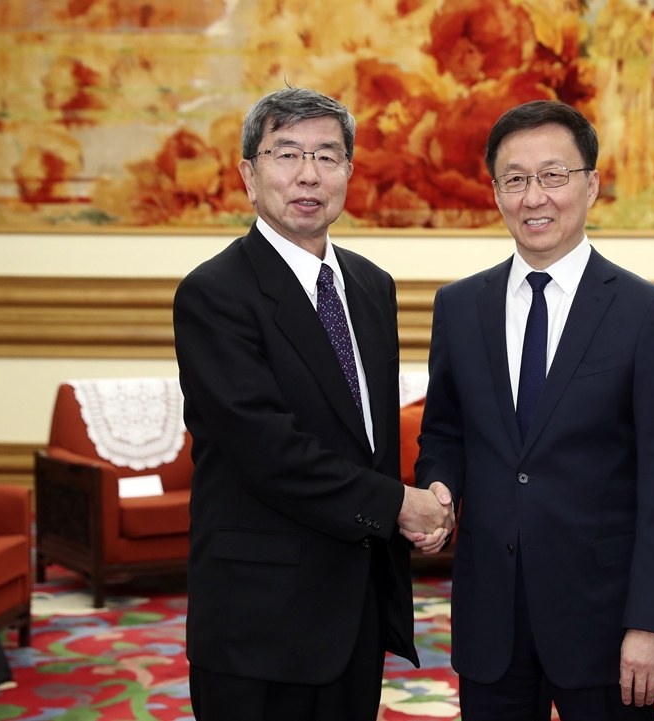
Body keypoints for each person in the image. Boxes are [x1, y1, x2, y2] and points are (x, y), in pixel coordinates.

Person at [174, 86, 454, 721]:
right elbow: (267, 450)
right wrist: (398, 505)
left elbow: (371, 439)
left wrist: (421, 503)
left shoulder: (372, 286)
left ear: (348, 172)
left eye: (327, 156)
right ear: (249, 175)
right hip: (260, 617)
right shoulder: (214, 293)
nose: (309, 174)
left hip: (357, 605)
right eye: (287, 153)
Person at [412, 100, 654, 720]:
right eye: (514, 179)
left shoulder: (647, 314)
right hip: (490, 615)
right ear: (495, 193)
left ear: (590, 185)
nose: (533, 197)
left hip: (604, 620)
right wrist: (439, 487)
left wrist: (651, 623)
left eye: (553, 175)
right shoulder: (459, 307)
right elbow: (445, 434)